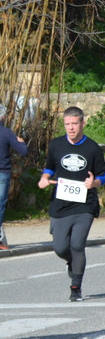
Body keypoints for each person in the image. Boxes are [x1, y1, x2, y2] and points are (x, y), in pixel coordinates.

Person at [39, 106, 105, 300]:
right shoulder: (56, 145)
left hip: (85, 204)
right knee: (61, 248)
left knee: (77, 245)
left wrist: (94, 182)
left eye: (74, 124)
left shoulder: (93, 148)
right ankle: (72, 262)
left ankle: (76, 287)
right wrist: (44, 178)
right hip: (61, 204)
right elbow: (50, 168)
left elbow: (104, 175)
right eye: (67, 124)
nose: (71, 128)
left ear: (83, 123)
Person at [0, 104, 28, 249]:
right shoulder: (7, 132)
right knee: (0, 205)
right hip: (2, 173)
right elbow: (23, 151)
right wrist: (22, 142)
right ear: (3, 117)